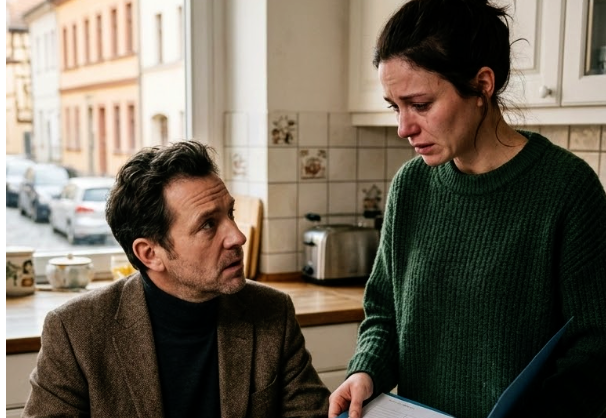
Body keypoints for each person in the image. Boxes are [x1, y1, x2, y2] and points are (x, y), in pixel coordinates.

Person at [328, 1, 606, 418]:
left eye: (420, 104)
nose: (403, 127)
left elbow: (595, 345)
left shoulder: (567, 189)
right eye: (395, 106)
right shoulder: (411, 186)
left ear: (482, 85)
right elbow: (383, 313)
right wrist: (365, 370)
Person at [24, 140, 330, 417]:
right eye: (208, 225)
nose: (237, 237)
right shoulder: (75, 331)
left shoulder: (272, 311)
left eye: (230, 214)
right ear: (150, 254)